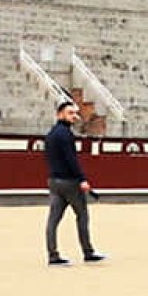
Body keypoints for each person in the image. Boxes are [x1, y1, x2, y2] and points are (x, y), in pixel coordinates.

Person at [44, 100, 106, 266]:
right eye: (70, 113)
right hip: (69, 182)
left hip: (54, 181)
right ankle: (88, 251)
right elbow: (72, 160)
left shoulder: (50, 134)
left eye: (75, 113)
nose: (74, 116)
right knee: (82, 215)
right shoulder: (66, 135)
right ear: (60, 114)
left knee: (53, 219)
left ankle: (53, 254)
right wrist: (82, 179)